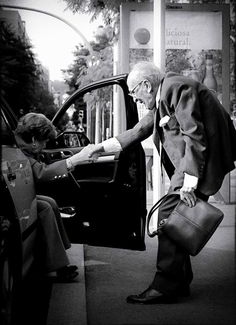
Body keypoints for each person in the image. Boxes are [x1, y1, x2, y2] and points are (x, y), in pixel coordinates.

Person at [88, 61, 236, 304]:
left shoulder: (175, 88)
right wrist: (101, 148)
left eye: (134, 94)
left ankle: (165, 286)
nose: (135, 100)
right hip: (192, 164)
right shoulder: (162, 96)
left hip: (198, 164)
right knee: (176, 221)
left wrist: (189, 183)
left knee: (168, 219)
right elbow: (137, 131)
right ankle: (179, 282)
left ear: (146, 85)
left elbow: (194, 134)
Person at [14, 112, 95, 281]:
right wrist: (74, 160)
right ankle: (55, 266)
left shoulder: (22, 146)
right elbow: (40, 173)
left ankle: (57, 259)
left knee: (49, 202)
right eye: (43, 141)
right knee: (44, 207)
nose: (44, 146)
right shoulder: (19, 152)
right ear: (35, 139)